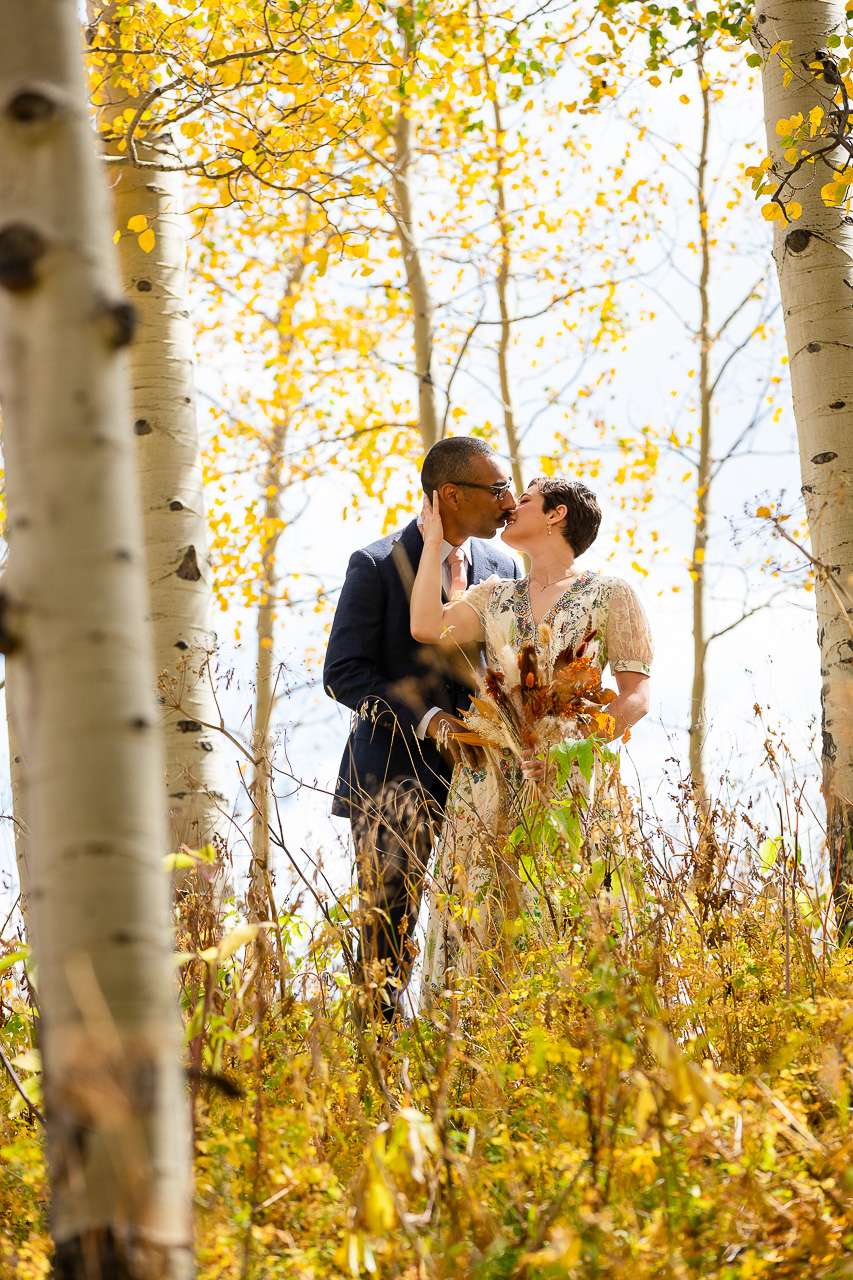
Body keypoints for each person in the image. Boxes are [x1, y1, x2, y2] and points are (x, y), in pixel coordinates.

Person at [409, 475, 654, 993]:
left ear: (556, 515)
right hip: (490, 773)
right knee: (479, 899)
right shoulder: (496, 596)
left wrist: (576, 745)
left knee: (563, 897)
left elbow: (636, 695)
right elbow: (427, 626)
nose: (508, 509)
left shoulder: (611, 593)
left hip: (569, 773)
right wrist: (433, 542)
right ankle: (475, 1035)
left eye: (523, 501)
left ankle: (565, 1028)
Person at [323, 437, 520, 1026]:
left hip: (483, 780)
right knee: (388, 931)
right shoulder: (378, 563)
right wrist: (430, 721)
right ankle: (376, 1066)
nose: (508, 503)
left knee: (478, 924)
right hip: (393, 778)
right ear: (452, 494)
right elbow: (344, 673)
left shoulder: (505, 569)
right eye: (498, 490)